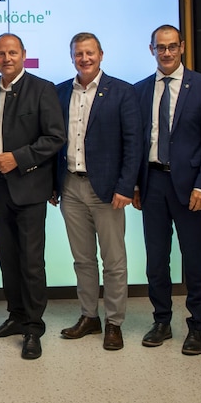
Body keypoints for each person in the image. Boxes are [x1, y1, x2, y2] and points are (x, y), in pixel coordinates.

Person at [132, 24, 201, 356]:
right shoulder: (141, 90)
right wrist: (137, 184)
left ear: (182, 47)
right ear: (151, 49)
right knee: (156, 260)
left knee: (195, 258)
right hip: (153, 182)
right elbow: (137, 144)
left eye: (172, 46)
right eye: (160, 47)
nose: (167, 52)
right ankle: (161, 321)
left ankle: (197, 326)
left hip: (189, 187)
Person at [0, 33, 66, 359]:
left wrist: (19, 157)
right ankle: (15, 316)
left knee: (30, 262)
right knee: (9, 260)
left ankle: (33, 327)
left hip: (29, 186)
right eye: (1, 53)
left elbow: (56, 137)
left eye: (12, 52)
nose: (7, 58)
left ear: (23, 54)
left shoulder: (42, 88)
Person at [51, 32, 141, 351]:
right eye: (78, 54)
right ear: (72, 57)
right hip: (70, 186)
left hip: (108, 190)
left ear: (101, 55)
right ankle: (90, 316)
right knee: (83, 259)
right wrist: (53, 185)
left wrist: (126, 186)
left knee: (114, 260)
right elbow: (53, 142)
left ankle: (114, 322)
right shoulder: (61, 92)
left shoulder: (122, 92)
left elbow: (133, 144)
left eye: (90, 53)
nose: (84, 59)